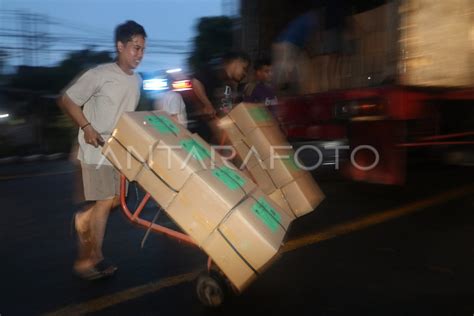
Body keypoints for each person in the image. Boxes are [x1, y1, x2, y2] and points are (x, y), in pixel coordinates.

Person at [57, 20, 146, 280]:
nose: (139, 54)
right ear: (120, 46)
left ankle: (84, 220)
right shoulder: (100, 74)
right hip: (95, 148)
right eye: (135, 48)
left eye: (142, 49)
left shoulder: (137, 80)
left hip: (118, 149)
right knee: (106, 202)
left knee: (117, 200)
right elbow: (67, 99)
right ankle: (90, 260)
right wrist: (86, 127)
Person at [191, 51, 250, 142]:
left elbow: (226, 108)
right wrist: (207, 104)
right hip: (204, 133)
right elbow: (196, 82)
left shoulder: (229, 84)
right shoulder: (215, 70)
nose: (245, 73)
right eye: (244, 68)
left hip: (218, 135)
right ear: (236, 62)